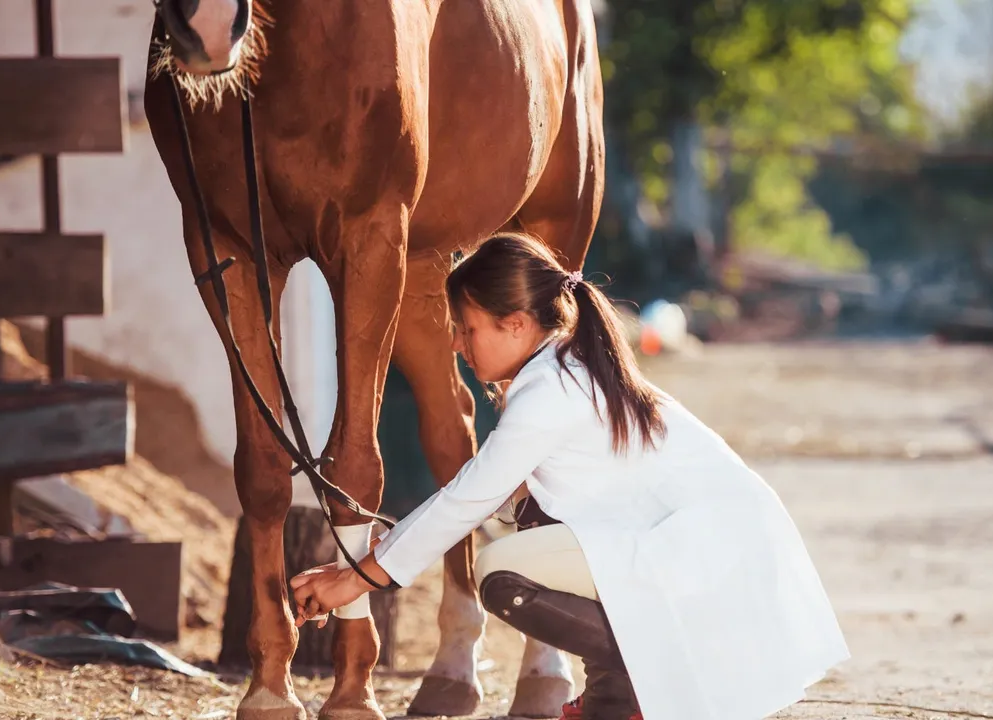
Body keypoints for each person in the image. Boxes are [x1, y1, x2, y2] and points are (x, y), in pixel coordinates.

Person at [289, 233, 850, 720]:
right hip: (708, 544)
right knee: (534, 519)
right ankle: (618, 698)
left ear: (516, 324)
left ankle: (641, 680)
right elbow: (494, 493)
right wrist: (389, 546)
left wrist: (355, 579)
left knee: (501, 575)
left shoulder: (550, 392)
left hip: (713, 554)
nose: (457, 345)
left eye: (467, 329)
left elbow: (468, 497)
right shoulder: (562, 365)